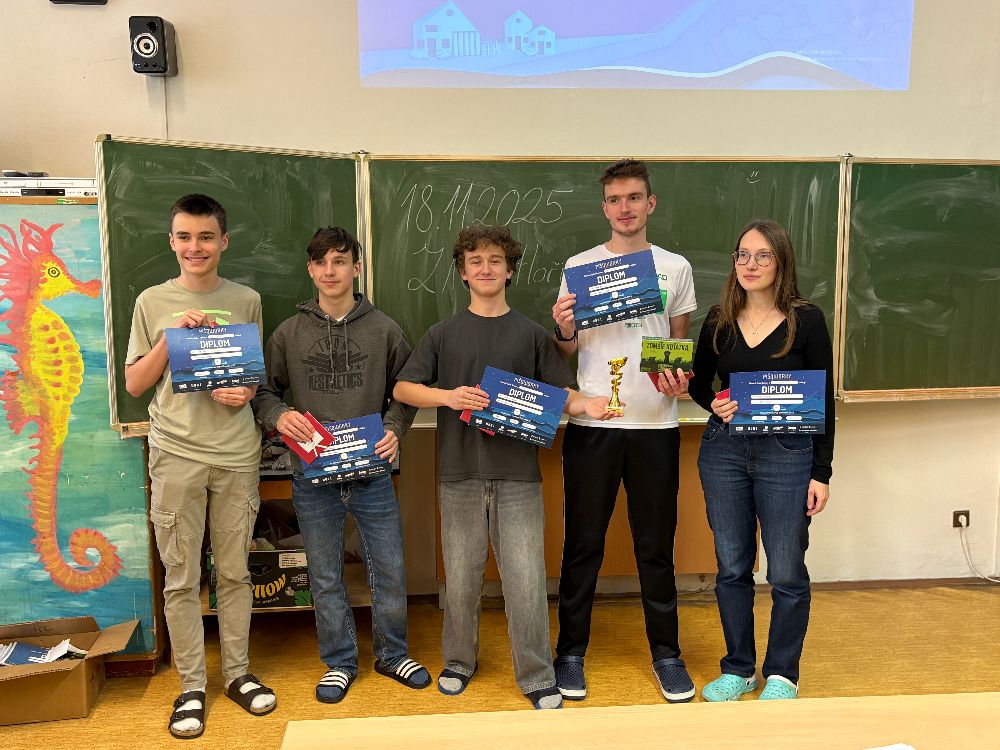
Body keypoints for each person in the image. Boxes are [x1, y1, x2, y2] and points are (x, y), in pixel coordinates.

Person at [393, 224, 618, 711]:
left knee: (526, 580)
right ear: (462, 272)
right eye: (475, 261)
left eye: (495, 260)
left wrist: (586, 405)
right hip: (458, 474)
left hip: (518, 477)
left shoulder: (531, 334)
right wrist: (449, 397)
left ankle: (536, 674)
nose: (485, 269)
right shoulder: (442, 333)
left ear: (510, 270)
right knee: (460, 577)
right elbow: (404, 389)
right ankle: (458, 661)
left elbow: (560, 393)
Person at [251, 227, 429, 703]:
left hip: (372, 472)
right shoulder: (288, 333)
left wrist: (395, 428)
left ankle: (392, 653)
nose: (330, 271)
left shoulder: (385, 329)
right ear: (310, 270)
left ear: (356, 267)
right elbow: (263, 391)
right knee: (325, 573)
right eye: (321, 262)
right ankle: (340, 661)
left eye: (340, 261)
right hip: (312, 475)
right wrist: (278, 415)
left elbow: (407, 390)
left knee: (388, 567)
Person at [124, 194, 275, 740]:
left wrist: (246, 392)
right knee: (182, 577)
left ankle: (237, 674)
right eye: (185, 237)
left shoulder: (247, 299)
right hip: (176, 454)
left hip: (236, 455)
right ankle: (191, 687)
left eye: (206, 237)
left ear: (223, 241)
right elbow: (136, 384)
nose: (196, 247)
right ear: (172, 242)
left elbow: (253, 376)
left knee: (234, 573)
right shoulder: (151, 301)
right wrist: (172, 339)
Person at [550, 158, 698, 703]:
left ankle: (667, 655)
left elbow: (675, 345)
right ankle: (570, 653)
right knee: (582, 544)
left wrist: (678, 378)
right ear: (604, 208)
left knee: (656, 546)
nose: (625, 208)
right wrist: (564, 327)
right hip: (595, 424)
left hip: (655, 424)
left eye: (634, 197)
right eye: (615, 200)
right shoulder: (579, 266)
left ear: (650, 203)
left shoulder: (674, 267)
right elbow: (568, 351)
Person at [689, 219, 835, 701]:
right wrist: (716, 403)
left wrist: (821, 472)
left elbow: (823, 400)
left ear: (781, 262)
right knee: (732, 566)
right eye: (742, 255)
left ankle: (782, 673)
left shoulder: (806, 319)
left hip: (788, 456)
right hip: (724, 452)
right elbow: (700, 383)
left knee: (786, 570)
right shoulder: (719, 318)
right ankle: (739, 668)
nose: (750, 265)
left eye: (762, 256)